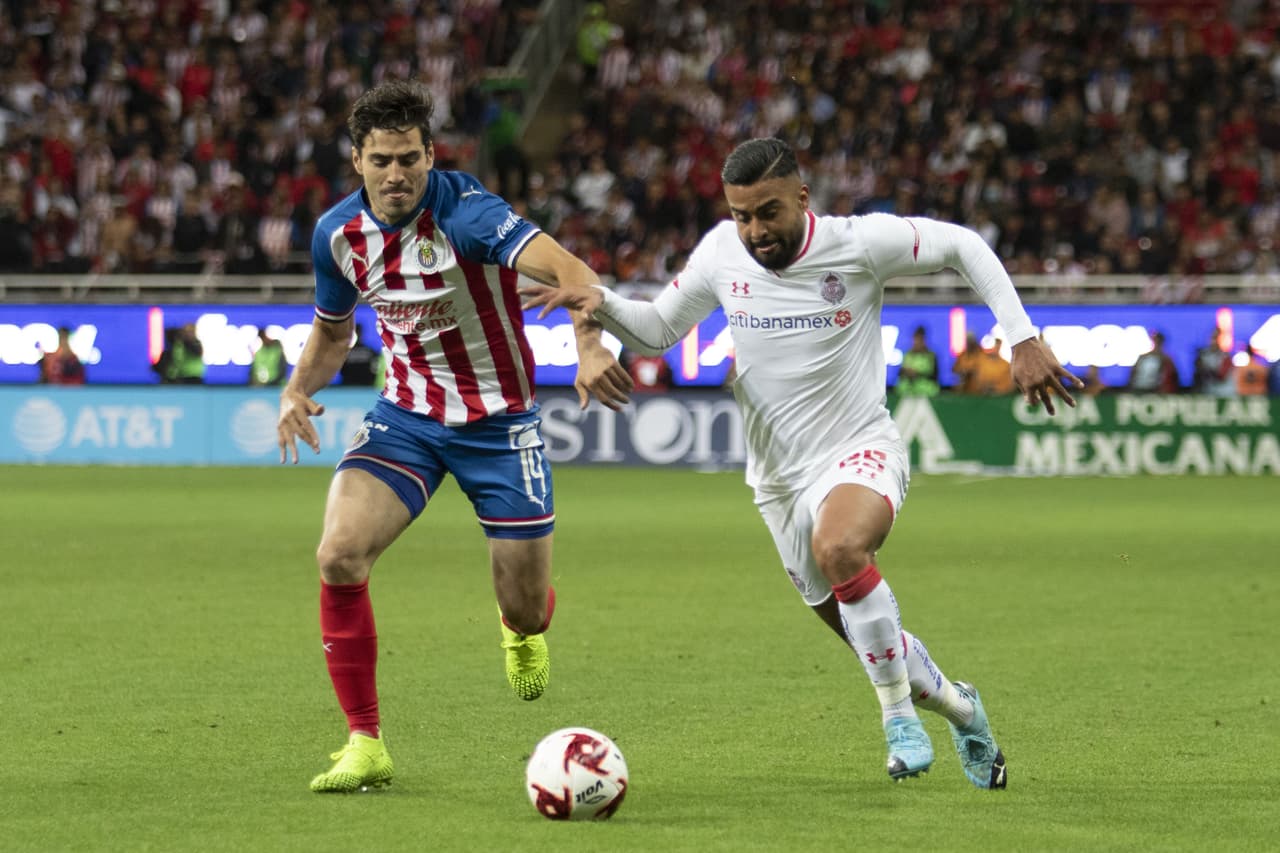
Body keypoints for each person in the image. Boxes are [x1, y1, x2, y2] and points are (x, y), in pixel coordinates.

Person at [521, 138, 1081, 788]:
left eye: (768, 212)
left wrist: (1022, 335)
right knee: (873, 641)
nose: (755, 230)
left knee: (843, 548)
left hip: (858, 447)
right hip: (777, 480)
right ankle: (960, 707)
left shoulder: (859, 242)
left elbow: (964, 246)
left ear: (802, 198)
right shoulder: (721, 254)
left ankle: (897, 717)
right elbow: (658, 329)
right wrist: (601, 304)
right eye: (741, 215)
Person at [276, 80, 633, 794]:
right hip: (406, 417)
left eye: (410, 157)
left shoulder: (471, 216)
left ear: (431, 154)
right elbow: (333, 332)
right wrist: (297, 388)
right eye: (381, 160)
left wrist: (591, 347)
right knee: (338, 554)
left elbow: (574, 274)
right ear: (357, 161)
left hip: (501, 423)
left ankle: (521, 626)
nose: (397, 173)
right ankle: (365, 741)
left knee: (527, 605)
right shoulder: (337, 236)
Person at [897, 325, 938, 396]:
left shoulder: (931, 355)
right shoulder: (907, 355)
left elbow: (934, 375)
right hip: (907, 391)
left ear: (924, 340)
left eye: (919, 340)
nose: (917, 342)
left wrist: (917, 374)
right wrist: (907, 372)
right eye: (915, 339)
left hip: (926, 391)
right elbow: (900, 373)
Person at [1192, 328, 1234, 396]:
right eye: (1213, 338)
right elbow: (1197, 377)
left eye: (1217, 338)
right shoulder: (1204, 355)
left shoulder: (1225, 356)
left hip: (1224, 393)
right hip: (1208, 392)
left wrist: (1204, 367)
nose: (1214, 341)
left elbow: (1221, 376)